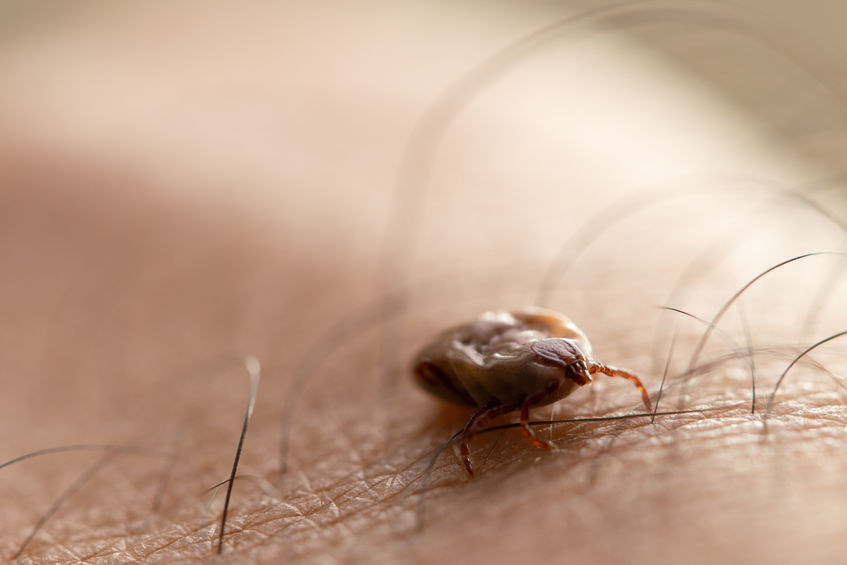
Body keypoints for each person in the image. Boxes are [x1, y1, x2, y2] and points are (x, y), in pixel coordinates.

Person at [1, 2, 846, 563]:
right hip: (464, 365)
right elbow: (485, 389)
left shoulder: (549, 366)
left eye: (579, 370)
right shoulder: (510, 390)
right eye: (575, 373)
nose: (587, 380)